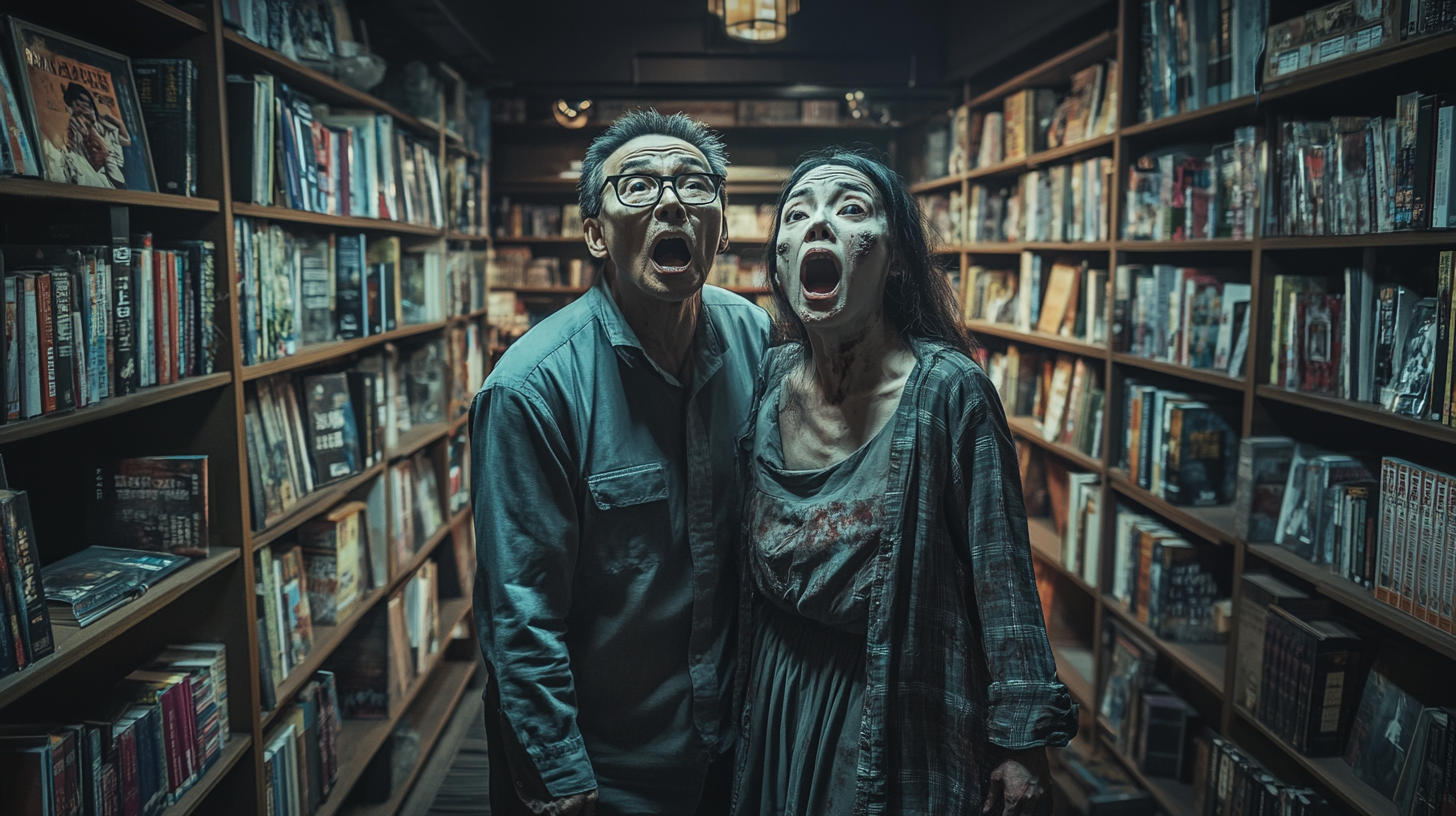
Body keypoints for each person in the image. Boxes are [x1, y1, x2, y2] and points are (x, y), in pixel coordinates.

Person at [732, 149, 1078, 815]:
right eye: (798, 214)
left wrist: (1022, 742)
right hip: (774, 694)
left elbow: (1002, 575)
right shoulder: (769, 379)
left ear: (894, 260)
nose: (819, 226)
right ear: (778, 261)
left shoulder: (950, 392)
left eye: (851, 209)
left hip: (895, 699)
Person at [470, 110, 770, 816]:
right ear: (596, 233)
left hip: (732, 749)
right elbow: (519, 609)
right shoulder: (532, 388)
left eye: (696, 185)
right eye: (636, 186)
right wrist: (559, 773)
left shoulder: (759, 340)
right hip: (606, 770)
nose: (671, 201)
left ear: (720, 229)